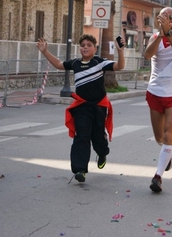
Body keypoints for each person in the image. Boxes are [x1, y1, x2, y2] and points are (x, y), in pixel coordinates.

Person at [36, 34, 125, 183]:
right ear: (80, 48)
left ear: (95, 48)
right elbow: (59, 64)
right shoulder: (76, 63)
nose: (85, 47)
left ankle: (102, 153)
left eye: (89, 45)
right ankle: (80, 169)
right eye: (83, 45)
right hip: (82, 107)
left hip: (98, 107)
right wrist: (45, 51)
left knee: (98, 138)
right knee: (81, 136)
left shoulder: (100, 62)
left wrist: (120, 51)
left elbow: (119, 66)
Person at [143, 7, 172, 193]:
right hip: (155, 91)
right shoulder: (155, 38)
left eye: (171, 17)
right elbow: (147, 55)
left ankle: (158, 176)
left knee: (169, 132)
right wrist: (160, 35)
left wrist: (169, 34)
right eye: (164, 17)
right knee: (159, 137)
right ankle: (167, 153)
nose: (167, 20)